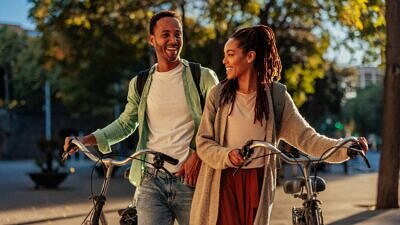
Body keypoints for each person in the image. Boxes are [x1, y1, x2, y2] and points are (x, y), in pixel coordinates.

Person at [190, 25, 368, 225]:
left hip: (258, 182)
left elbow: (307, 138)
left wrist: (345, 147)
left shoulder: (276, 97)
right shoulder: (218, 94)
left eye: (230, 54)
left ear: (250, 56)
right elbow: (203, 142)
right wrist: (226, 155)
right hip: (222, 181)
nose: (225, 61)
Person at [63, 10, 218, 225]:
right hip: (152, 181)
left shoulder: (202, 76)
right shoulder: (141, 82)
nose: (173, 40)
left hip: (192, 180)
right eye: (166, 34)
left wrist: (198, 155)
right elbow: (126, 123)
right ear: (151, 39)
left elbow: (219, 121)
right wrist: (86, 139)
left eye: (178, 34)